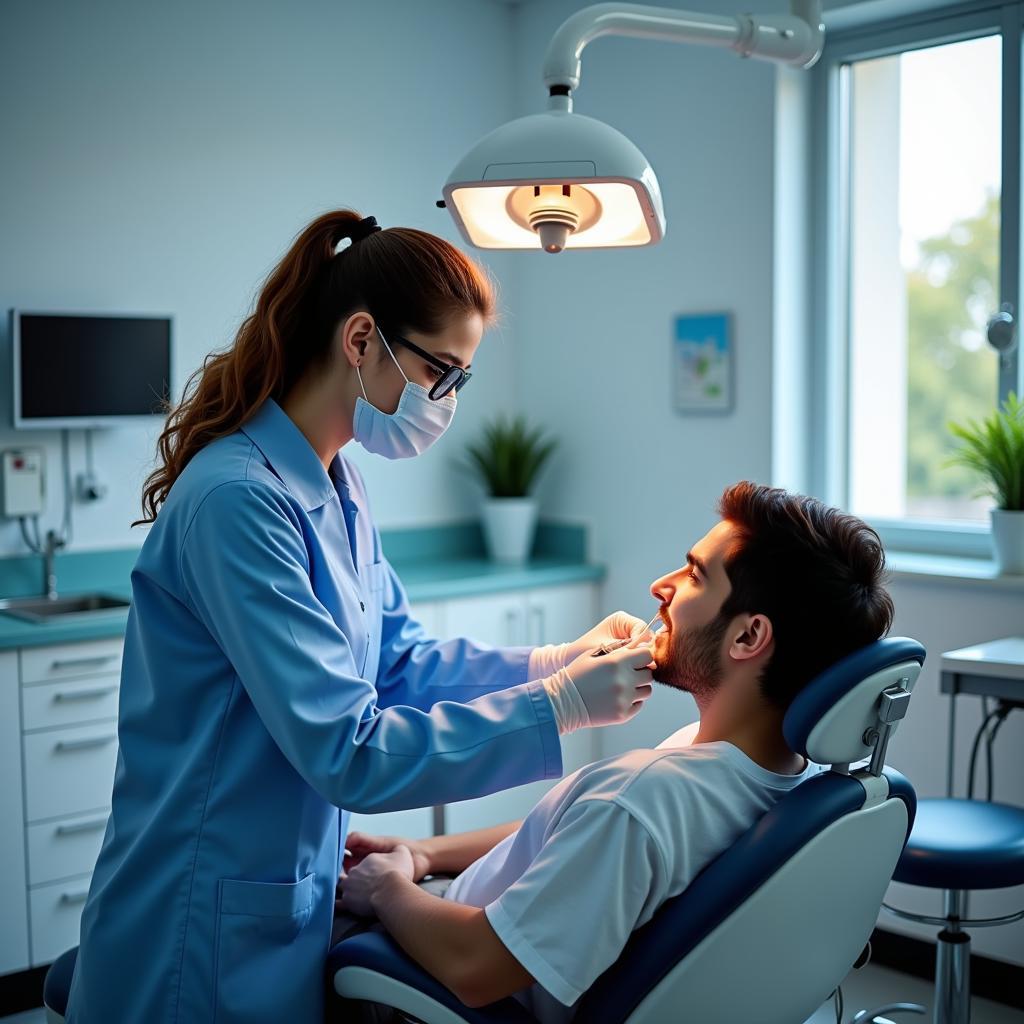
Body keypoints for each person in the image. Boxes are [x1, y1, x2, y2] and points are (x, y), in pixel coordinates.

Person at [65, 211, 657, 1024]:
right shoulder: (240, 500)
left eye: (461, 380)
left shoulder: (337, 485)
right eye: (440, 371)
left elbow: (399, 660)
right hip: (194, 921)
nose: (446, 401)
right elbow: (346, 750)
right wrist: (559, 708)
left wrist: (557, 662)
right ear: (361, 340)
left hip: (279, 902)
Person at [335, 482, 896, 1023]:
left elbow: (476, 968)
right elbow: (566, 831)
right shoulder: (779, 776)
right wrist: (423, 853)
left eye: (696, 575)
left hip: (434, 967)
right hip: (439, 899)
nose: (662, 584)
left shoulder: (639, 801)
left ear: (748, 637)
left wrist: (387, 888)